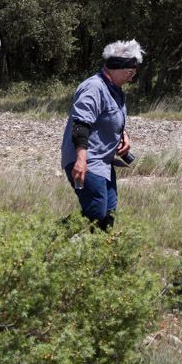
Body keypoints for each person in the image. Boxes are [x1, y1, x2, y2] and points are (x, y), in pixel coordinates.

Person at [60, 40, 143, 230]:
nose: (131, 78)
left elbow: (110, 117)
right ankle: (48, 240)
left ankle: (101, 254)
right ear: (116, 67)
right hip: (86, 161)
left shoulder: (114, 89)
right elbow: (81, 124)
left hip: (103, 163)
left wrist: (124, 136)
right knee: (96, 211)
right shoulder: (94, 87)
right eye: (130, 72)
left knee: (108, 214)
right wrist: (81, 160)